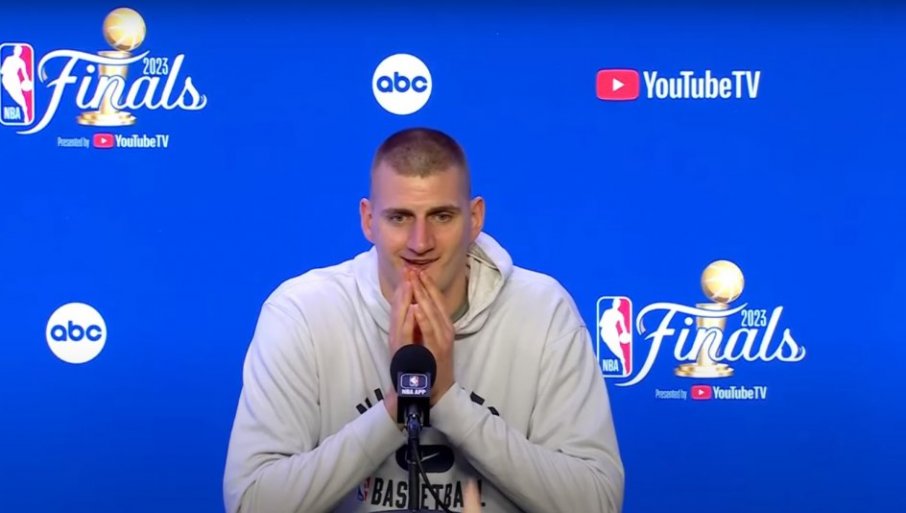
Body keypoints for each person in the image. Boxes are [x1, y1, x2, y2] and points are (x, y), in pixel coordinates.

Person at [223, 127, 624, 513]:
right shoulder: (302, 313)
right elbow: (252, 502)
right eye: (399, 218)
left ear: (475, 218)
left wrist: (448, 401)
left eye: (442, 216)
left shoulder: (543, 311)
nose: (420, 242)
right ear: (368, 220)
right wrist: (397, 408)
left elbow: (597, 503)